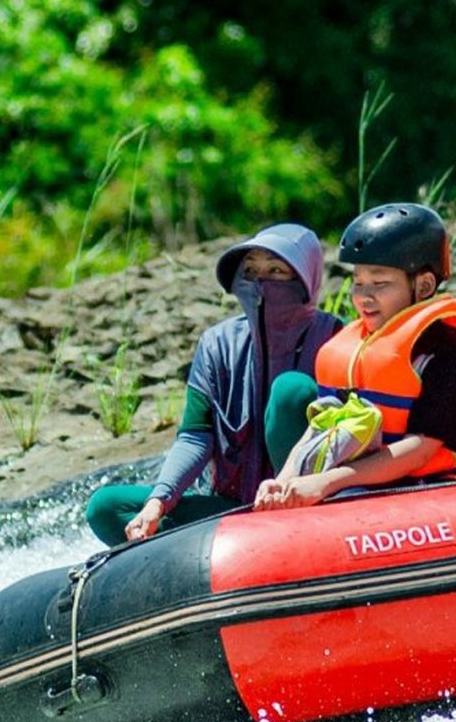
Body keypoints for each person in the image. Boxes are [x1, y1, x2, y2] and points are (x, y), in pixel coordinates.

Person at [84, 225, 343, 546]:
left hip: (309, 505)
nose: (261, 282)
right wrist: (158, 502)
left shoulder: (337, 339)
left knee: (291, 390)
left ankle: (289, 532)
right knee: (107, 506)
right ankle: (214, 560)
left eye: (276, 270)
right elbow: (195, 436)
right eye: (250, 270)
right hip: (233, 508)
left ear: (307, 279)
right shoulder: (216, 344)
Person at [251, 203, 456, 508]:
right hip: (356, 483)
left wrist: (327, 482)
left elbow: (420, 451)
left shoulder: (448, 358)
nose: (365, 297)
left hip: (426, 493)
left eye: (380, 284)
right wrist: (285, 479)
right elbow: (326, 424)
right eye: (359, 283)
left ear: (424, 285)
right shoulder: (354, 346)